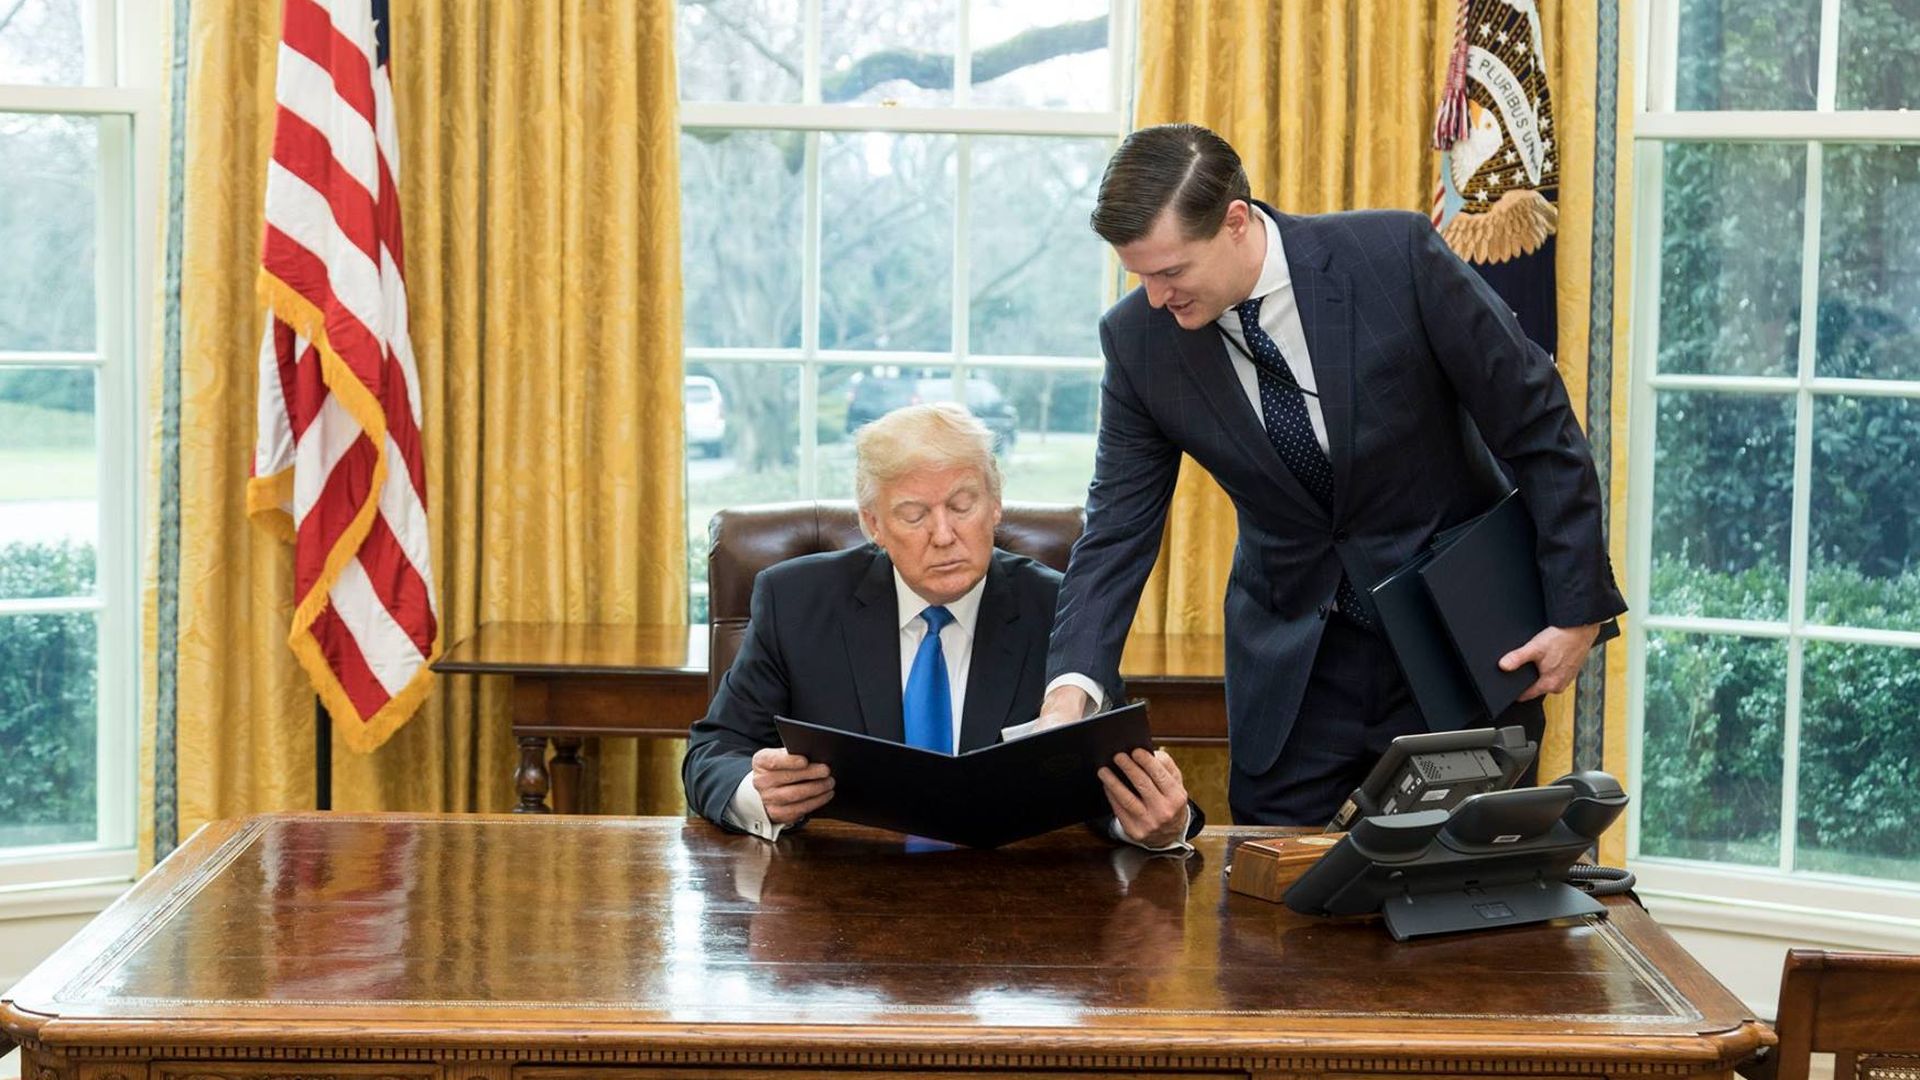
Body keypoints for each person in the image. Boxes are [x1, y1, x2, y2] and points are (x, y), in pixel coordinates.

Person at [1037, 123, 1626, 826]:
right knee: (1271, 913)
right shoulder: (1137, 342)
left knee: (1455, 905)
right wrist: (1069, 692)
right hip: (1294, 678)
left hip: (1455, 647)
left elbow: (1538, 424)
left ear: (1235, 221)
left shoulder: (1393, 257)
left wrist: (1575, 609)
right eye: (1140, 276)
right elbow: (1114, 532)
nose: (1157, 298)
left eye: (1171, 272)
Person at [683, 402, 1202, 850]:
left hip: (1016, 911)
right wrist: (757, 793)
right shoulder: (795, 602)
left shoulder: (1065, 613)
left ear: (995, 502)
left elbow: (1111, 784)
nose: (944, 534)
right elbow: (712, 752)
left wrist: (1155, 824)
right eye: (913, 514)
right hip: (836, 902)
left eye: (962, 505)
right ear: (873, 524)